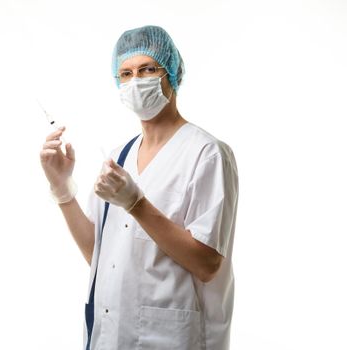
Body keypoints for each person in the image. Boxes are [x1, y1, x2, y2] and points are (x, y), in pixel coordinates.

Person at [40, 25, 238, 350]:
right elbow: (101, 256)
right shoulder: (121, 155)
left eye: (148, 69)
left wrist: (136, 203)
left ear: (171, 73)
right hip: (111, 335)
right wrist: (63, 190)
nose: (136, 81)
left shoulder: (206, 153)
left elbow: (207, 265)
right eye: (126, 73)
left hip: (172, 338)